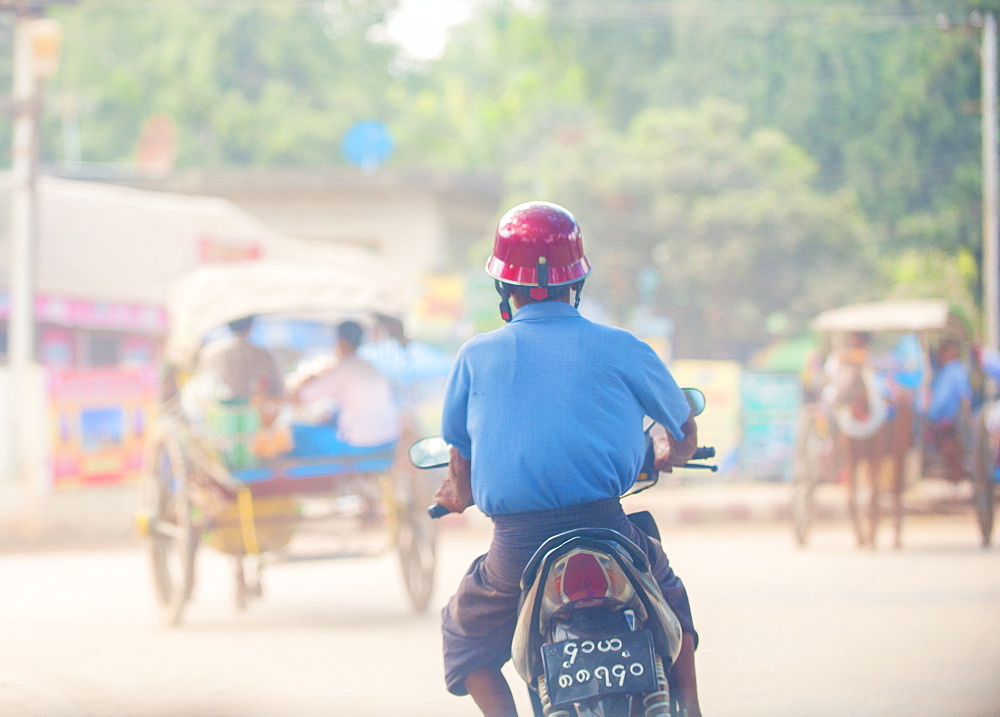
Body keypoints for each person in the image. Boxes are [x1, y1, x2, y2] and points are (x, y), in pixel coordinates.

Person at [433, 201, 701, 716]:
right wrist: (671, 451)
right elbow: (683, 429)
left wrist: (455, 494)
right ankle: (689, 707)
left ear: (503, 288)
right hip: (609, 531)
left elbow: (459, 461)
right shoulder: (624, 347)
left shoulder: (475, 355)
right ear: (575, 283)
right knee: (671, 601)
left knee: (462, 633)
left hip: (517, 549)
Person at [288, 320, 400, 456]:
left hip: (358, 445)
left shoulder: (344, 367)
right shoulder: (370, 366)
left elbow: (303, 396)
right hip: (388, 440)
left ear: (340, 342)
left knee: (295, 433)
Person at [196, 315, 285, 402]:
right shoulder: (264, 355)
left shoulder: (211, 352)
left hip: (221, 412)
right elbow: (278, 390)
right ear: (251, 326)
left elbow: (203, 389)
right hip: (256, 412)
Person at [927, 338, 973, 481]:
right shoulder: (941, 371)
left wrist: (967, 417)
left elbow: (964, 395)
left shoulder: (956, 370)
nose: (940, 354)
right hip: (939, 419)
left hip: (951, 420)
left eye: (943, 350)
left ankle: (960, 473)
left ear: (951, 353)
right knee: (945, 450)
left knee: (951, 449)